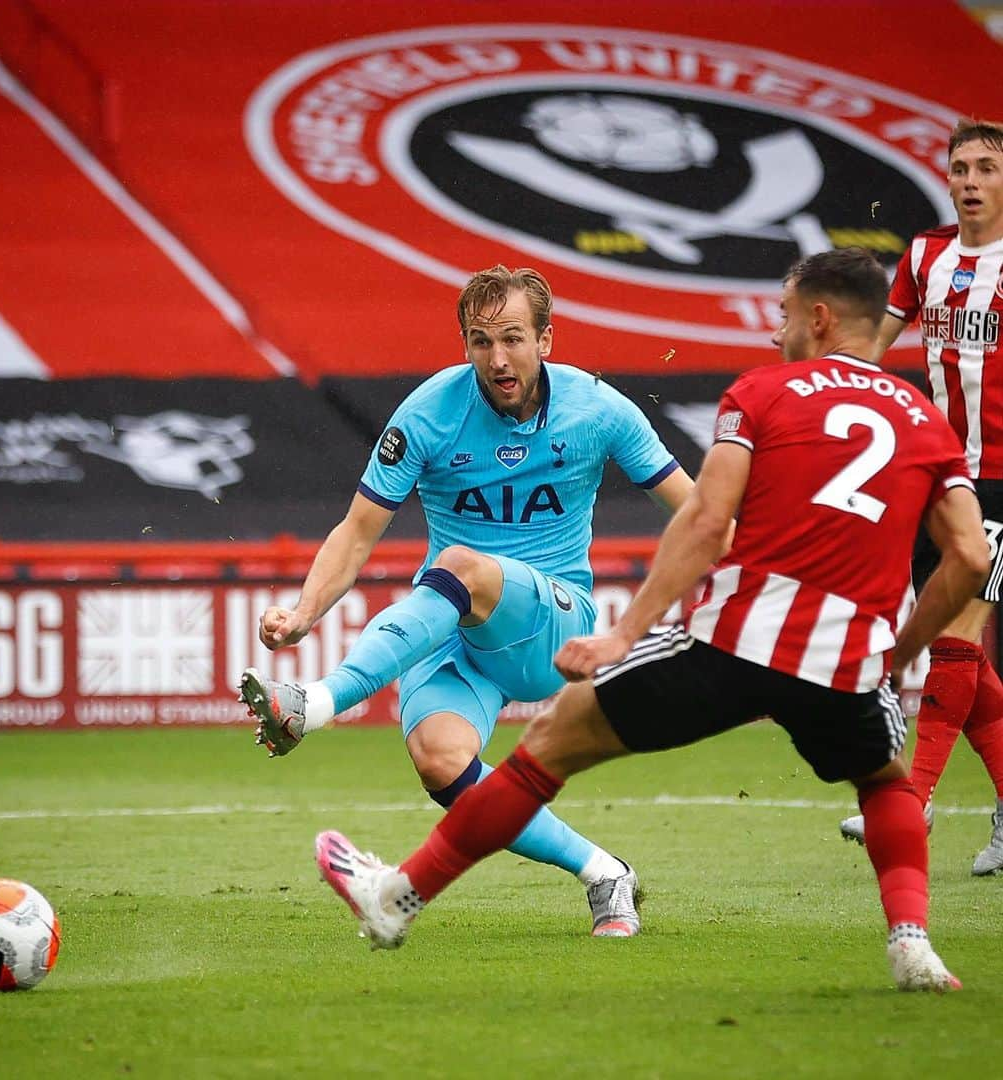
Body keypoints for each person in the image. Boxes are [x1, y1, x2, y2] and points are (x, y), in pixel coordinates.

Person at [314, 248, 989, 992]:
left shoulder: (763, 394)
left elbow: (704, 522)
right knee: (885, 783)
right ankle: (911, 944)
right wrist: (904, 652)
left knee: (548, 749)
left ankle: (396, 896)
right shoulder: (925, 417)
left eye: (786, 315)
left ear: (820, 319)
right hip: (846, 655)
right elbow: (965, 553)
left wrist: (625, 634)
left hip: (733, 637)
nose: (776, 333)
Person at [240, 264, 695, 936]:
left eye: (513, 338)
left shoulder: (598, 408)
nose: (498, 358)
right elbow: (358, 531)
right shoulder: (428, 414)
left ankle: (319, 702)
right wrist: (304, 613)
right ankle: (604, 873)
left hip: (551, 624)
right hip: (453, 624)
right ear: (465, 346)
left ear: (547, 338)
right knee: (440, 760)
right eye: (481, 342)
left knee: (458, 564)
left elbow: (694, 510)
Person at [839, 119, 1003, 875]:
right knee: (964, 659)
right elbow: (874, 351)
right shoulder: (927, 256)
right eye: (960, 167)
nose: (969, 180)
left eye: (986, 168)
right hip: (942, 475)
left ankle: (911, 797)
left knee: (961, 630)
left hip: (1001, 478)